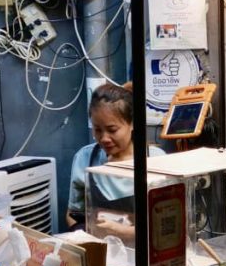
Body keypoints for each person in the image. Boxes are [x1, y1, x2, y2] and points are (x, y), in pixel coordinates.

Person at [66, 82, 165, 241]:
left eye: (112, 130)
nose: (104, 138)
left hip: (143, 255)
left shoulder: (155, 160)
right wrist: (86, 237)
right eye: (97, 129)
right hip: (102, 253)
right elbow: (73, 214)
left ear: (132, 123)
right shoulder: (85, 158)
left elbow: (165, 224)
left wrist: (123, 232)